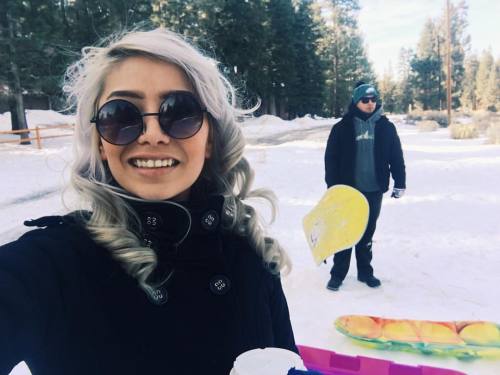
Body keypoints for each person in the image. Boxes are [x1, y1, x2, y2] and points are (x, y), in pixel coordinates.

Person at [0, 28, 296, 375]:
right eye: (121, 116)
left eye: (180, 112)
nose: (152, 134)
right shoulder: (51, 265)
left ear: (210, 138)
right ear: (99, 142)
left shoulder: (251, 257)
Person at [324, 81, 406, 291]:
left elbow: (396, 155)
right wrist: (333, 187)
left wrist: (400, 181)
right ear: (356, 101)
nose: (370, 104)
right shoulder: (342, 127)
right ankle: (337, 274)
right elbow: (331, 159)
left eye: (373, 99)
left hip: (373, 189)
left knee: (367, 234)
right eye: (365, 100)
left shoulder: (386, 127)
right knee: (345, 232)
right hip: (348, 191)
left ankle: (365, 272)